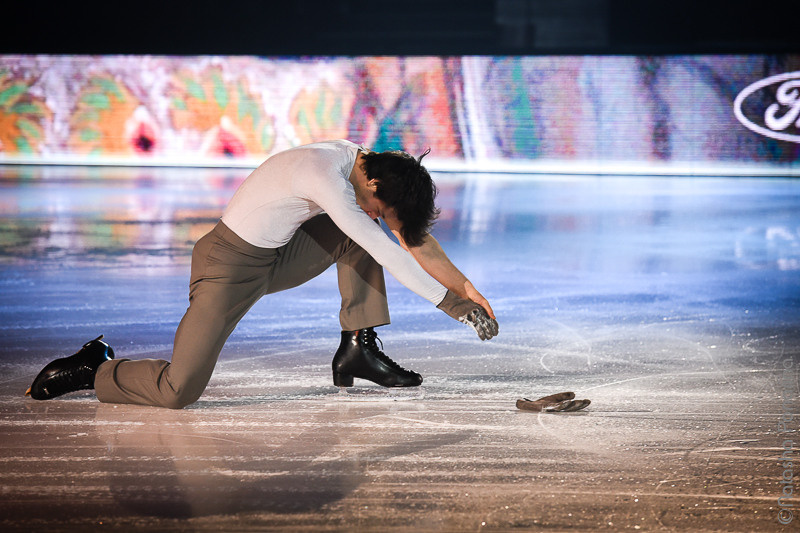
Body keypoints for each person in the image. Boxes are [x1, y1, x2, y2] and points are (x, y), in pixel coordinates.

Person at [26, 140, 499, 409]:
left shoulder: (365, 167)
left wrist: (466, 288)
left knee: (362, 230)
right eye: (378, 205)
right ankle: (98, 368)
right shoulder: (325, 175)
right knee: (178, 391)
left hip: (281, 255)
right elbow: (384, 247)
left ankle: (357, 347)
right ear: (371, 183)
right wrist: (453, 307)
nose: (376, 212)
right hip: (226, 267)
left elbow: (406, 239)